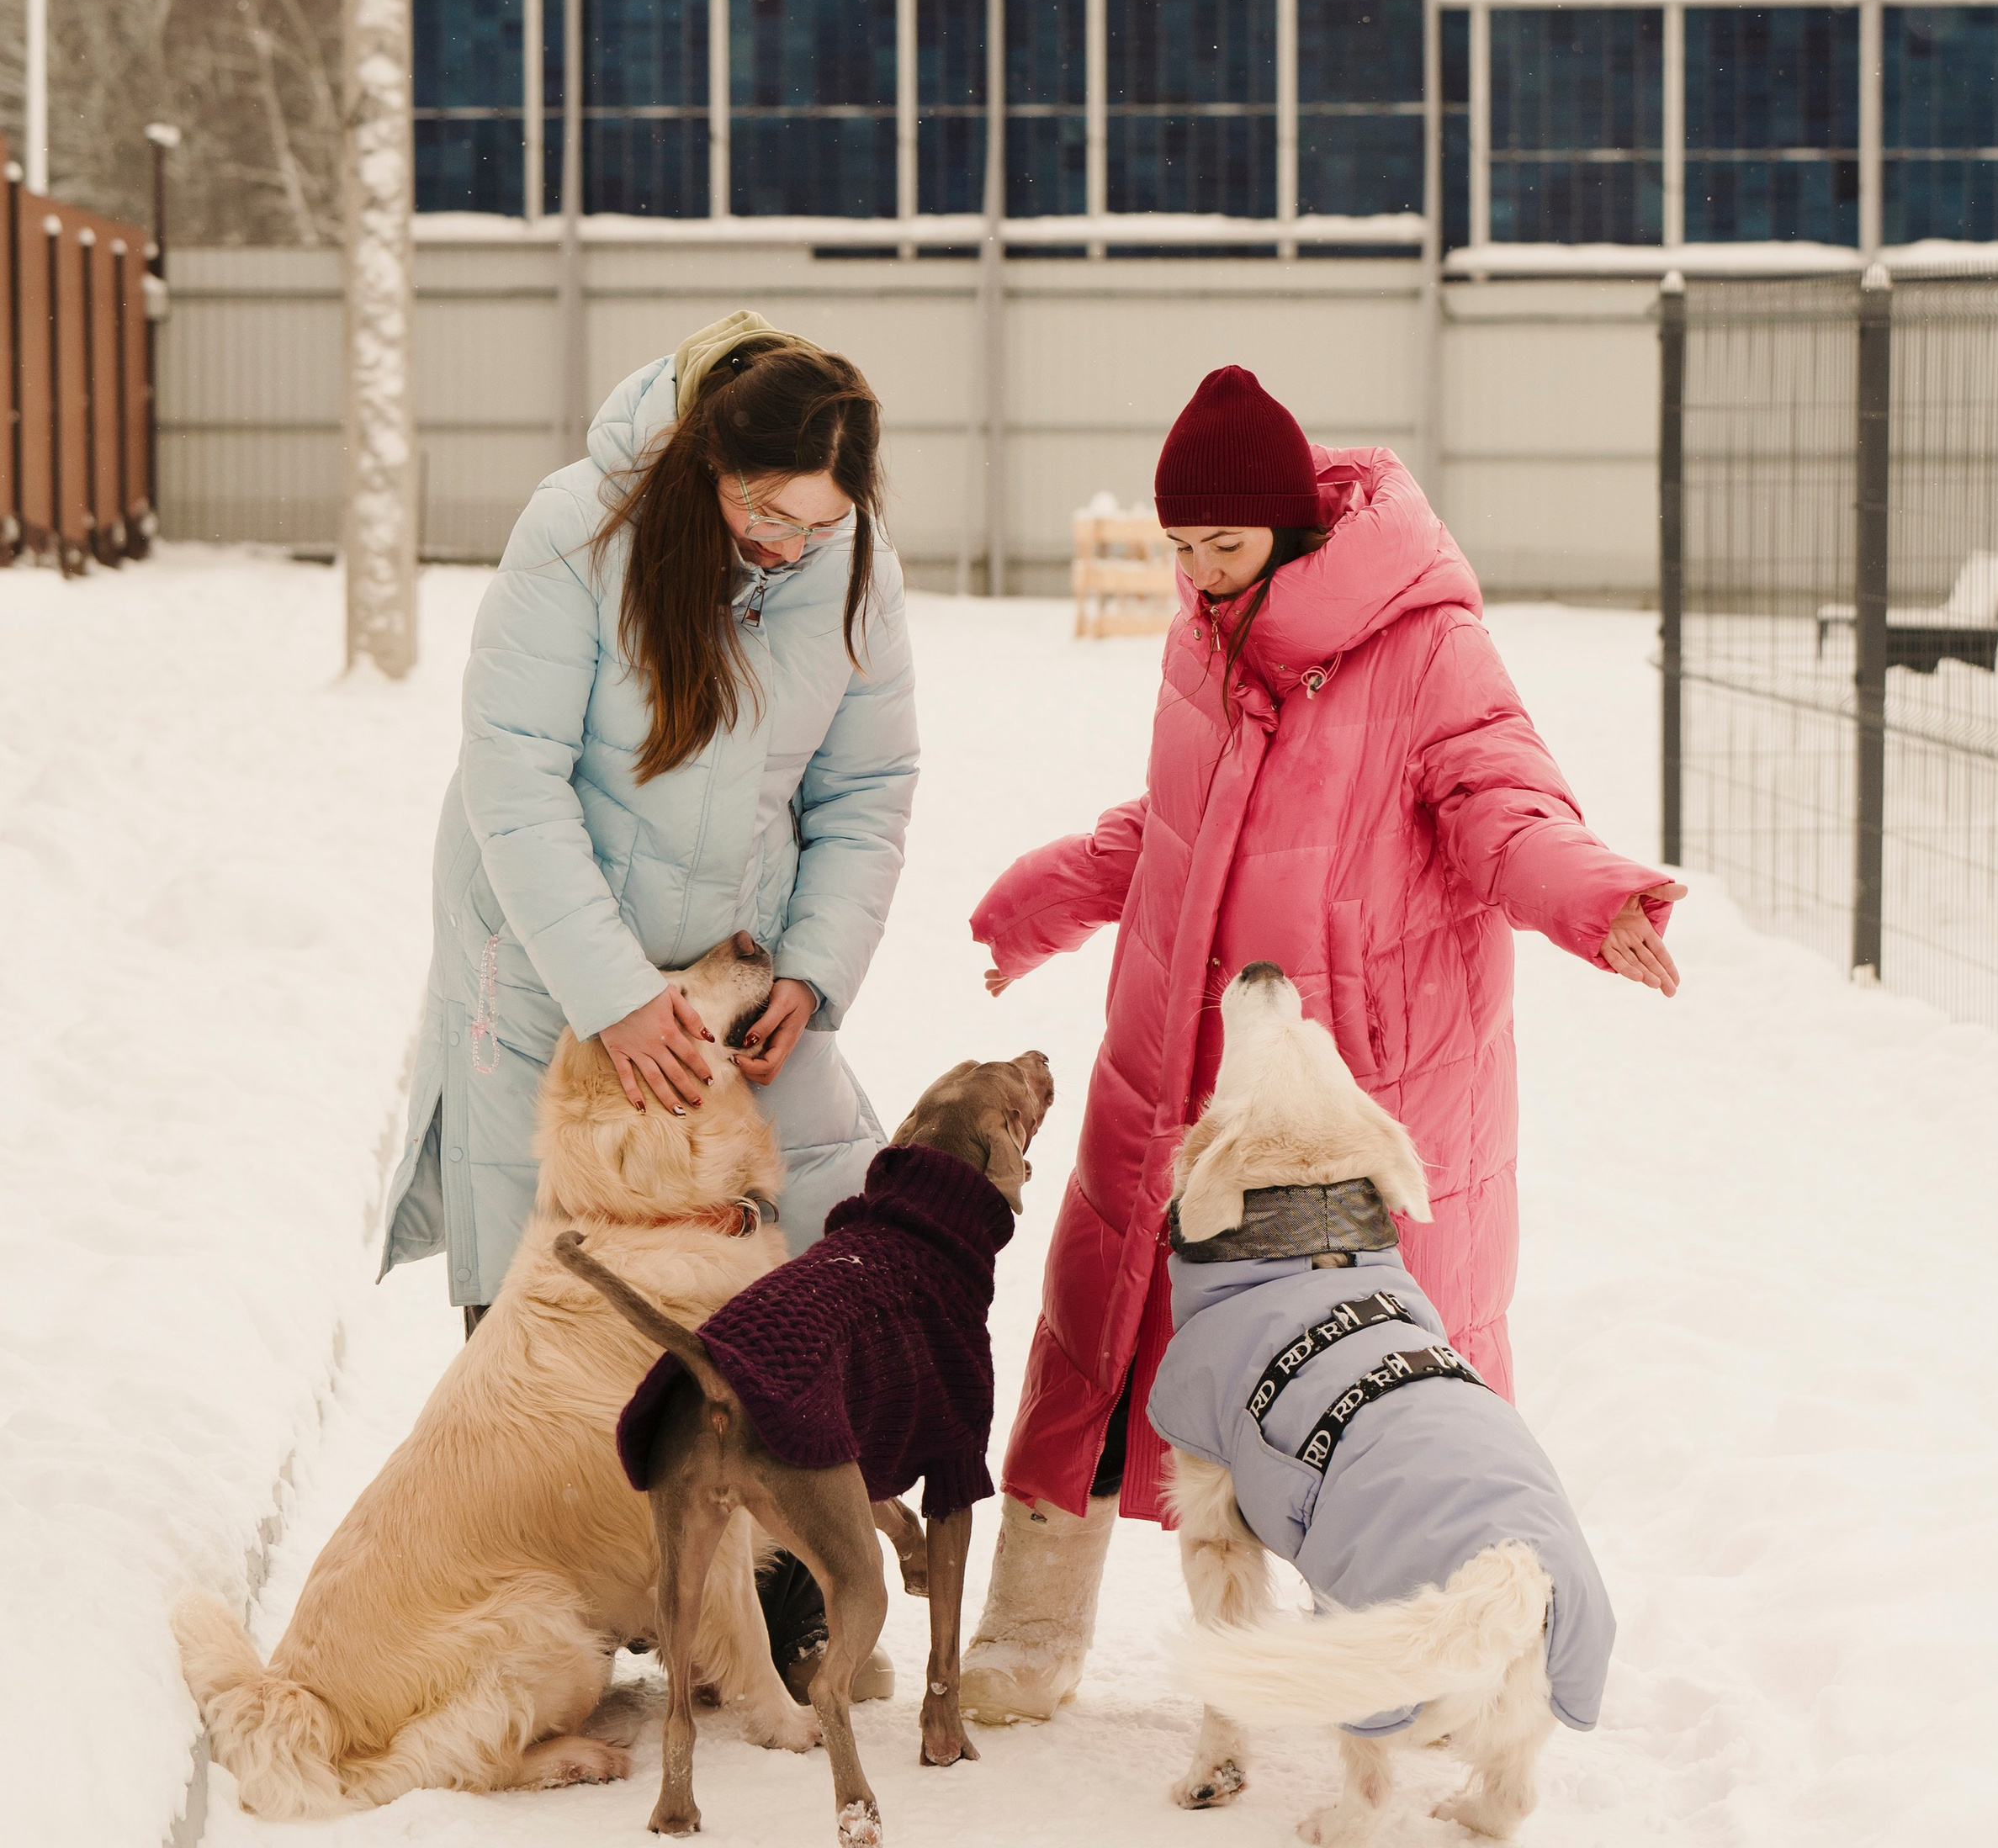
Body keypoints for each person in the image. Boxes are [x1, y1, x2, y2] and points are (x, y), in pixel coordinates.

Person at [958, 362, 1681, 1721]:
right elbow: (1173, 821)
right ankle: (1030, 1628)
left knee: (1366, 1375)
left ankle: (1427, 1643)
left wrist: (1594, 896)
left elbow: (1502, 804)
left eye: (1221, 546)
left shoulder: (1424, 644)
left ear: (1293, 527)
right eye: (1179, 550)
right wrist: (1049, 894)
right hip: (1181, 1063)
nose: (1199, 574)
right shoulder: (1209, 634)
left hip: (1356, 1087)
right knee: (1105, 1339)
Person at [381, 310, 918, 1326]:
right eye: (765, 510)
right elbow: (515, 778)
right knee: (550, 1293)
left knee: (801, 1268)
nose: (788, 543)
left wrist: (811, 971)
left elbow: (866, 789)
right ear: (707, 457)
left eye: (819, 523)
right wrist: (612, 992)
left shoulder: (850, 563)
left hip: (734, 963)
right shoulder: (578, 528)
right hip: (550, 950)